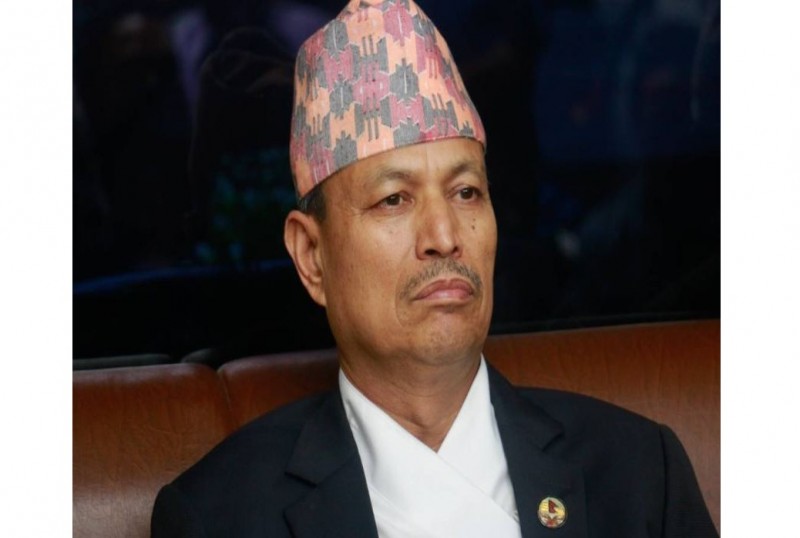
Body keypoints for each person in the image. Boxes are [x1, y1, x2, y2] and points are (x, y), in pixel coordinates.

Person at [151, 1, 718, 536]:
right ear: (312, 257)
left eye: (466, 192)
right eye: (393, 200)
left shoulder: (640, 472)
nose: (444, 237)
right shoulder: (220, 515)